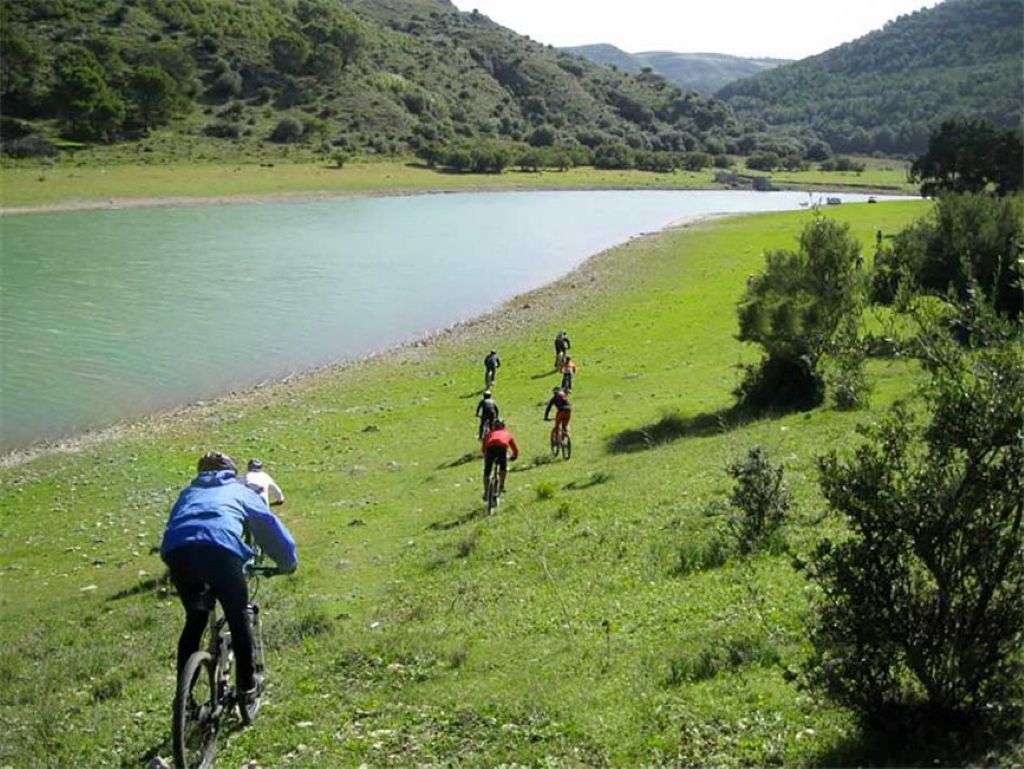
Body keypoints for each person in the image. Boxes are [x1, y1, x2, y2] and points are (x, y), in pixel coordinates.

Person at [161, 452, 298, 716]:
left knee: (195, 620)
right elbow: (269, 529)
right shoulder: (238, 490)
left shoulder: (187, 494)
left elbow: (176, 526)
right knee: (238, 617)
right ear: (231, 472)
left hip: (178, 554)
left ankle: (183, 699)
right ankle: (247, 689)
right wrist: (287, 563)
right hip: (221, 552)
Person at [481, 418, 519, 501]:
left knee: (487, 471)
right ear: (504, 426)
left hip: (490, 448)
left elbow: (484, 445)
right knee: (503, 467)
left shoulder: (489, 433)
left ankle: (486, 491)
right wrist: (514, 456)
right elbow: (515, 448)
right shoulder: (507, 433)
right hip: (502, 448)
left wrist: (485, 454)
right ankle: (501, 485)